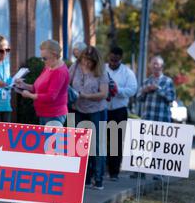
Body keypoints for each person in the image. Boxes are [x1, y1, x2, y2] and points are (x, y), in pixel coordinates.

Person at [70, 46, 109, 190]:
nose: (86, 63)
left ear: (96, 61)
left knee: (98, 145)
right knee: (80, 145)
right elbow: (65, 82)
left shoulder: (102, 71)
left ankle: (98, 179)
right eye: (84, 59)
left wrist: (87, 96)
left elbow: (104, 93)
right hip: (78, 109)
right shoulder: (75, 67)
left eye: (90, 61)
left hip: (97, 110)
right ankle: (84, 178)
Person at [136, 55, 176, 180]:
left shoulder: (167, 81)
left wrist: (157, 89)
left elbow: (171, 98)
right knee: (144, 145)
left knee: (160, 146)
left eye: (157, 64)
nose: (155, 66)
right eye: (153, 64)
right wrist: (145, 91)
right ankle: (140, 171)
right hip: (147, 117)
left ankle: (159, 173)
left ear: (162, 66)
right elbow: (138, 98)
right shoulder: (146, 81)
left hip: (162, 118)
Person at [18, 40, 69, 127]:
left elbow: (51, 96)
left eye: (45, 58)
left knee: (50, 141)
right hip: (44, 113)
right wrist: (24, 85)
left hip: (54, 115)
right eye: (42, 58)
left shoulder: (60, 72)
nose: (43, 61)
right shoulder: (49, 66)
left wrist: (30, 95)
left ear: (55, 55)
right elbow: (37, 87)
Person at [105, 46, 138, 181]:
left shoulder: (127, 72)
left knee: (115, 142)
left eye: (116, 60)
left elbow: (132, 89)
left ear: (120, 59)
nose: (113, 62)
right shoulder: (102, 69)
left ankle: (114, 172)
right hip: (103, 108)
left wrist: (118, 90)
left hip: (119, 110)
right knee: (101, 141)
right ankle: (100, 169)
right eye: (111, 59)